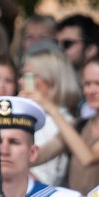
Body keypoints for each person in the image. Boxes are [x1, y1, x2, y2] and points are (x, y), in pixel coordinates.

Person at [28, 56, 99, 194]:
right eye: (87, 84)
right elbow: (38, 156)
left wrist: (51, 108)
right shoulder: (79, 125)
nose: (91, 90)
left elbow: (89, 157)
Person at [19, 43, 81, 186]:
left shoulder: (57, 122)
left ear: (51, 80)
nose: (21, 82)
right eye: (21, 76)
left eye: (28, 76)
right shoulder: (40, 116)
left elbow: (44, 181)